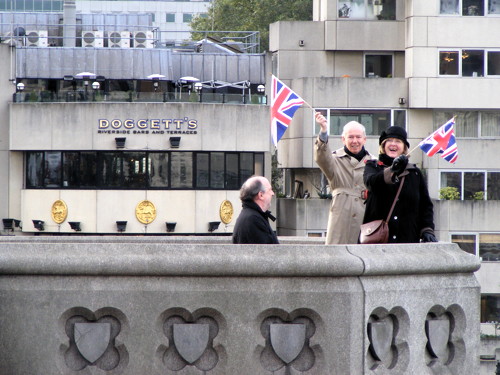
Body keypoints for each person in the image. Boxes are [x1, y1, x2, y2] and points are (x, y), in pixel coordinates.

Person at [362, 126, 438, 243]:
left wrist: (427, 230)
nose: (393, 144)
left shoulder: (414, 173)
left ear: (404, 148)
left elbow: (425, 206)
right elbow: (371, 183)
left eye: (398, 141)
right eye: (389, 141)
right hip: (377, 240)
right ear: (383, 146)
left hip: (407, 238)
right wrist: (393, 169)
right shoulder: (373, 166)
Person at [314, 112, 375, 244]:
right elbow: (321, 157)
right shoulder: (334, 159)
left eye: (358, 137)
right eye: (350, 137)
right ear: (343, 139)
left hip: (367, 219)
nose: (355, 141)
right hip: (341, 218)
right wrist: (323, 131)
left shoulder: (374, 162)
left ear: (365, 139)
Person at [232, 176, 279, 244]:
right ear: (261, 195)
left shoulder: (251, 216)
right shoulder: (253, 219)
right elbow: (267, 251)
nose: (272, 193)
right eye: (270, 190)